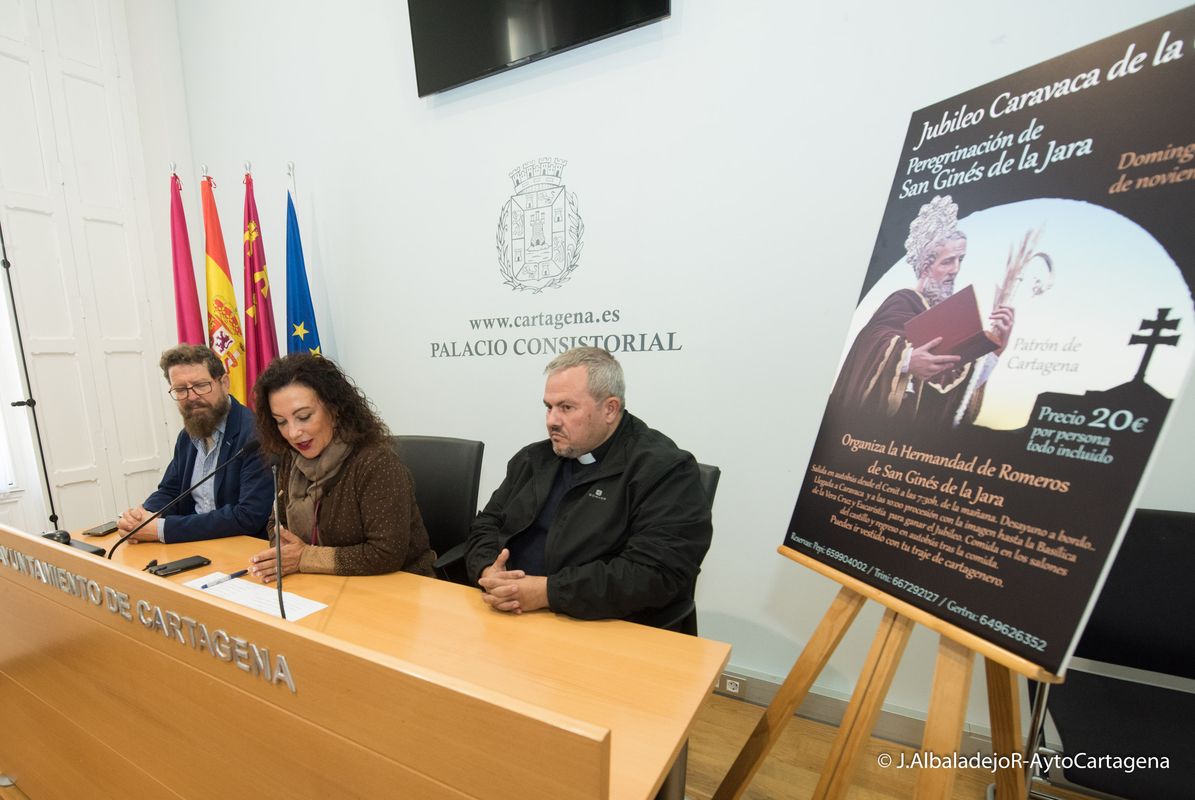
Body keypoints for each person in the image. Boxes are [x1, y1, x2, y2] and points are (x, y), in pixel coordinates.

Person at [464, 347, 712, 627]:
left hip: (606, 626)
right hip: (512, 614)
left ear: (610, 409)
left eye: (566, 408)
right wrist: (488, 569)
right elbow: (487, 523)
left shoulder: (666, 470)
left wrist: (547, 593)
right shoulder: (534, 459)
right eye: (549, 407)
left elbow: (654, 574)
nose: (552, 421)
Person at [830, 194, 1015, 427]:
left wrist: (995, 348)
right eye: (947, 262)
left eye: (960, 260)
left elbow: (953, 397)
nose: (956, 269)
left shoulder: (950, 320)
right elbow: (869, 345)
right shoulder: (903, 301)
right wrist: (906, 361)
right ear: (926, 267)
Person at [246, 353, 434, 581]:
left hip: (395, 586)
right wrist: (285, 551)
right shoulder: (289, 459)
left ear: (335, 409)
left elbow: (386, 553)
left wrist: (305, 557)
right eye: (281, 422)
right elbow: (277, 522)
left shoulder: (376, 463)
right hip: (321, 582)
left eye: (304, 417)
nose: (293, 433)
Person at [117, 344, 272, 543]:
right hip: (194, 545)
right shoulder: (188, 435)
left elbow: (248, 516)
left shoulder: (255, 435)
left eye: (200, 386)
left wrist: (161, 529)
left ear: (224, 383)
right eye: (181, 389)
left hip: (242, 549)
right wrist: (141, 518)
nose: (192, 397)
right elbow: (170, 491)